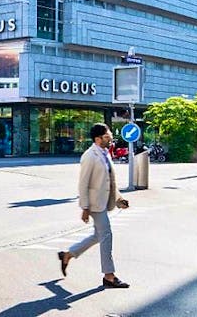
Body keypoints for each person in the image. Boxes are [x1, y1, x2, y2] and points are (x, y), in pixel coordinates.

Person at [58, 123, 130, 289]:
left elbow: (110, 181)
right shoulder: (89, 156)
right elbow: (83, 184)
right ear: (98, 139)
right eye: (107, 136)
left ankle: (67, 255)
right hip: (95, 204)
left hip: (105, 201)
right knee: (106, 235)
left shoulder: (105, 153)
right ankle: (109, 276)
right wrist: (85, 208)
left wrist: (118, 199)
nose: (110, 138)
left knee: (98, 236)